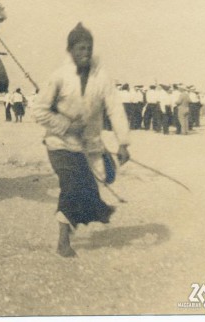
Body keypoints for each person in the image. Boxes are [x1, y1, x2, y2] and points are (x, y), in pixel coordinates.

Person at [33, 23, 130, 258]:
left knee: (99, 179)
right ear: (70, 50)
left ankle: (77, 217)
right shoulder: (59, 77)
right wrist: (66, 125)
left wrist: (123, 142)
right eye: (80, 49)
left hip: (89, 144)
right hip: (60, 144)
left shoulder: (103, 78)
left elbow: (115, 108)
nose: (85, 53)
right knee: (72, 185)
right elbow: (38, 111)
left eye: (88, 48)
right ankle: (63, 241)